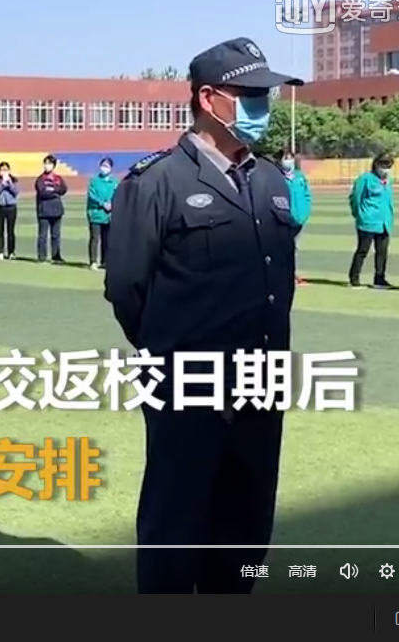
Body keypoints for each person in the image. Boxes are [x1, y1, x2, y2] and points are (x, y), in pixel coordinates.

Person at [104, 37, 300, 594]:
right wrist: (173, 349)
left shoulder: (271, 180)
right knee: (176, 519)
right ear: (210, 99)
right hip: (187, 381)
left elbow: (276, 279)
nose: (263, 106)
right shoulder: (156, 182)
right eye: (251, 95)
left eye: (266, 95)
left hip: (261, 379)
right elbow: (127, 289)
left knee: (248, 520)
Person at [347, 152, 395, 289]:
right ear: (376, 165)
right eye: (383, 165)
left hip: (384, 222)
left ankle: (379, 278)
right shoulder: (365, 179)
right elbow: (355, 198)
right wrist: (358, 214)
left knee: (382, 252)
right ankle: (354, 278)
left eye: (388, 166)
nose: (385, 169)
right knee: (363, 250)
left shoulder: (387, 181)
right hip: (368, 221)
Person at [279, 149, 312, 286]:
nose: (288, 161)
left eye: (290, 158)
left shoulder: (300, 177)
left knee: (294, 248)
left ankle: (292, 272)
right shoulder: (277, 176)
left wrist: (305, 213)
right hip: (283, 219)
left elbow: (307, 195)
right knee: (282, 248)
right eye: (285, 158)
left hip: (298, 219)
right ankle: (283, 274)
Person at [35, 155, 68, 263]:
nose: (47, 166)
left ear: (54, 165)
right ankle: (42, 257)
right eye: (45, 163)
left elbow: (63, 189)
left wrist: (52, 190)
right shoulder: (40, 179)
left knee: (56, 235)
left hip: (57, 210)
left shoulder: (58, 178)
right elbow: (43, 192)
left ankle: (56, 256)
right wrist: (55, 192)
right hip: (44, 211)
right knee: (43, 235)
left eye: (49, 163)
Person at [86, 157, 117, 270]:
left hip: (108, 215)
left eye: (107, 166)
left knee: (107, 239)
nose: (104, 168)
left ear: (111, 168)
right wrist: (102, 203)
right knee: (95, 238)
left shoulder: (114, 182)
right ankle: (93, 261)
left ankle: (105, 261)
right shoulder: (94, 181)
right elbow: (92, 195)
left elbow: (118, 194)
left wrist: (112, 204)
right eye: (103, 166)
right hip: (96, 213)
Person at [0, 161, 19, 260]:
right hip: (0, 207)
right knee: (0, 230)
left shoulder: (14, 181)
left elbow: (16, 192)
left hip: (11, 207)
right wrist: (2, 184)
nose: (4, 172)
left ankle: (11, 252)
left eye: (6, 170)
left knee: (11, 230)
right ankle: (0, 251)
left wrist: (9, 183)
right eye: (2, 170)